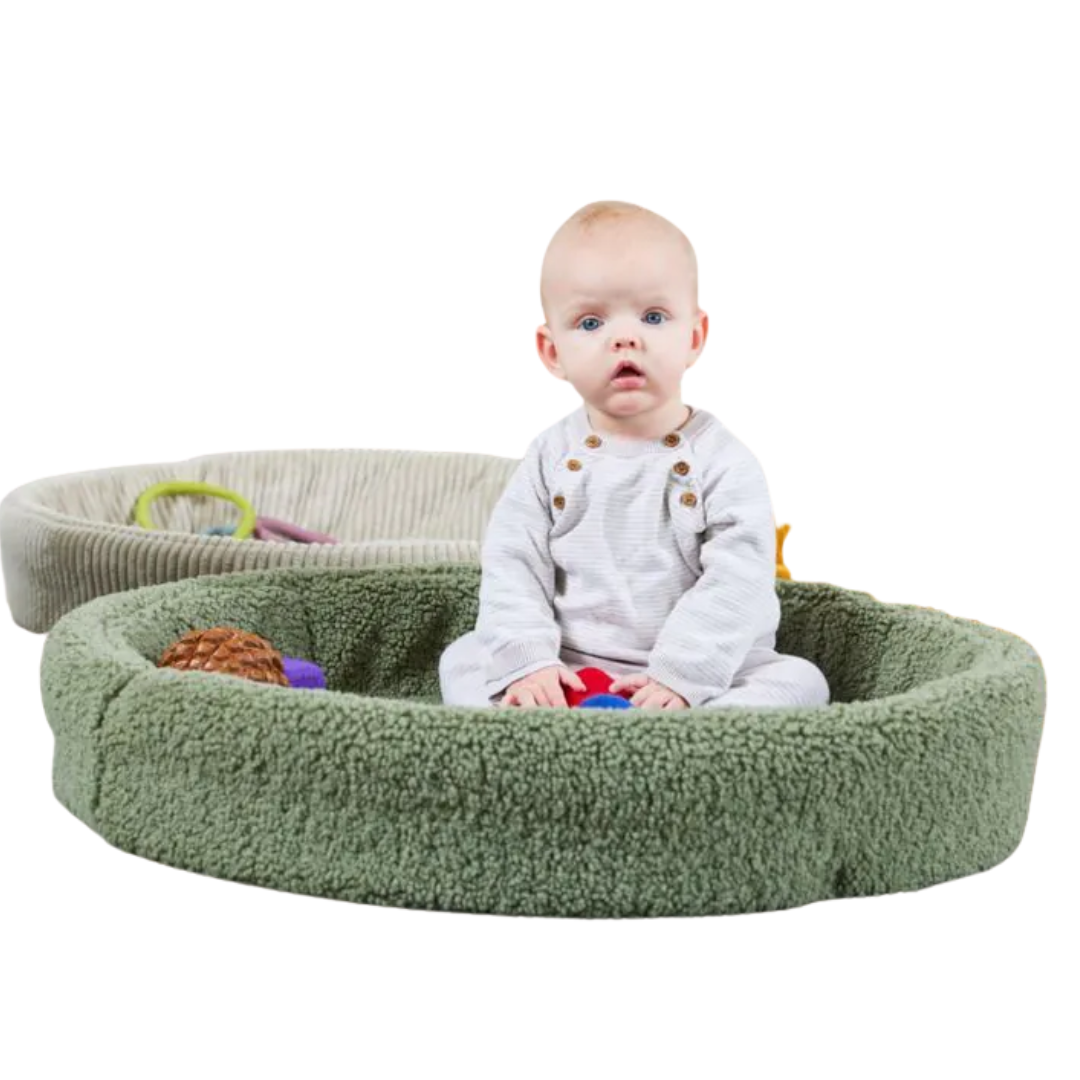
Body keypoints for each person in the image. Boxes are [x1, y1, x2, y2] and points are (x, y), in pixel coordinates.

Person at [438, 200, 830, 711]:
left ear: (694, 337)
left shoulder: (724, 463)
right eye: (590, 322)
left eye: (653, 317)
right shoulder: (549, 457)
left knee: (802, 681)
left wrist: (680, 678)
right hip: (570, 664)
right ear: (553, 352)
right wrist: (531, 663)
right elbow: (513, 564)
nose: (625, 338)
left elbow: (739, 581)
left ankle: (684, 732)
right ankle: (535, 715)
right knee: (463, 658)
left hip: (704, 670)